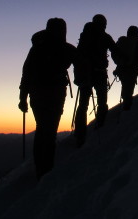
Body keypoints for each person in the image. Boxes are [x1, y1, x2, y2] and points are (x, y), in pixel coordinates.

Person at [18, 17, 76, 179]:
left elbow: (26, 74)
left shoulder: (37, 48)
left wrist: (23, 98)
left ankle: (41, 168)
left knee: (43, 129)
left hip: (37, 94)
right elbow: (81, 61)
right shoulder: (66, 49)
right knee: (49, 131)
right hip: (55, 93)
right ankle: (46, 170)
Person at [73, 14, 118, 145]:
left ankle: (80, 134)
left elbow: (78, 56)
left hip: (85, 75)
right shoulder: (105, 37)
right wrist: (124, 61)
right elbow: (115, 50)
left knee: (83, 105)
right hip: (99, 73)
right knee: (102, 100)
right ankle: (101, 125)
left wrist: (79, 77)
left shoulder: (85, 36)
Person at [113, 25, 138, 111]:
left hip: (121, 70)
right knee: (129, 89)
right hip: (132, 71)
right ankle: (127, 108)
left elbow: (114, 53)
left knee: (125, 86)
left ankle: (126, 105)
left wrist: (120, 63)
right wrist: (136, 66)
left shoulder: (122, 41)